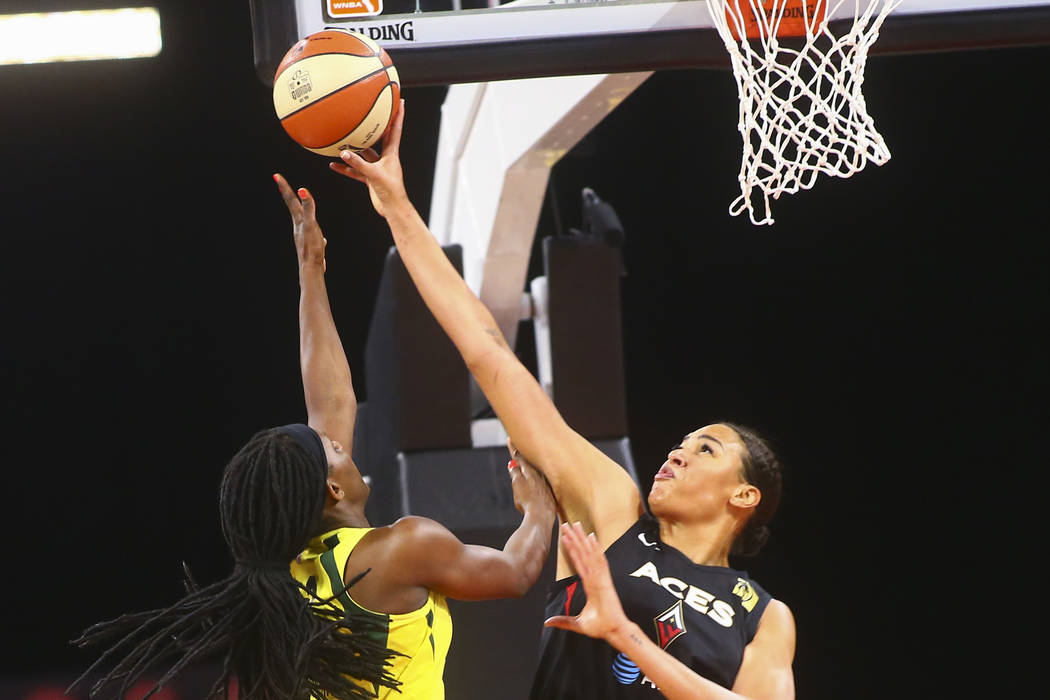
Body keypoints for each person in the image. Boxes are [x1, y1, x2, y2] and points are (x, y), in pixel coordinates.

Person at [329, 99, 796, 699]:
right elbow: (490, 354)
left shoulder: (765, 616)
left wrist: (624, 634)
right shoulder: (611, 509)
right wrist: (396, 206)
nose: (676, 454)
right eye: (681, 445)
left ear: (744, 495)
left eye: (703, 450)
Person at [67, 173, 557, 700]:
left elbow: (330, 399)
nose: (342, 439)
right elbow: (514, 572)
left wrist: (311, 272)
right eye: (333, 448)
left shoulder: (284, 578)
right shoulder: (401, 549)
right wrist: (540, 507)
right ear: (333, 490)